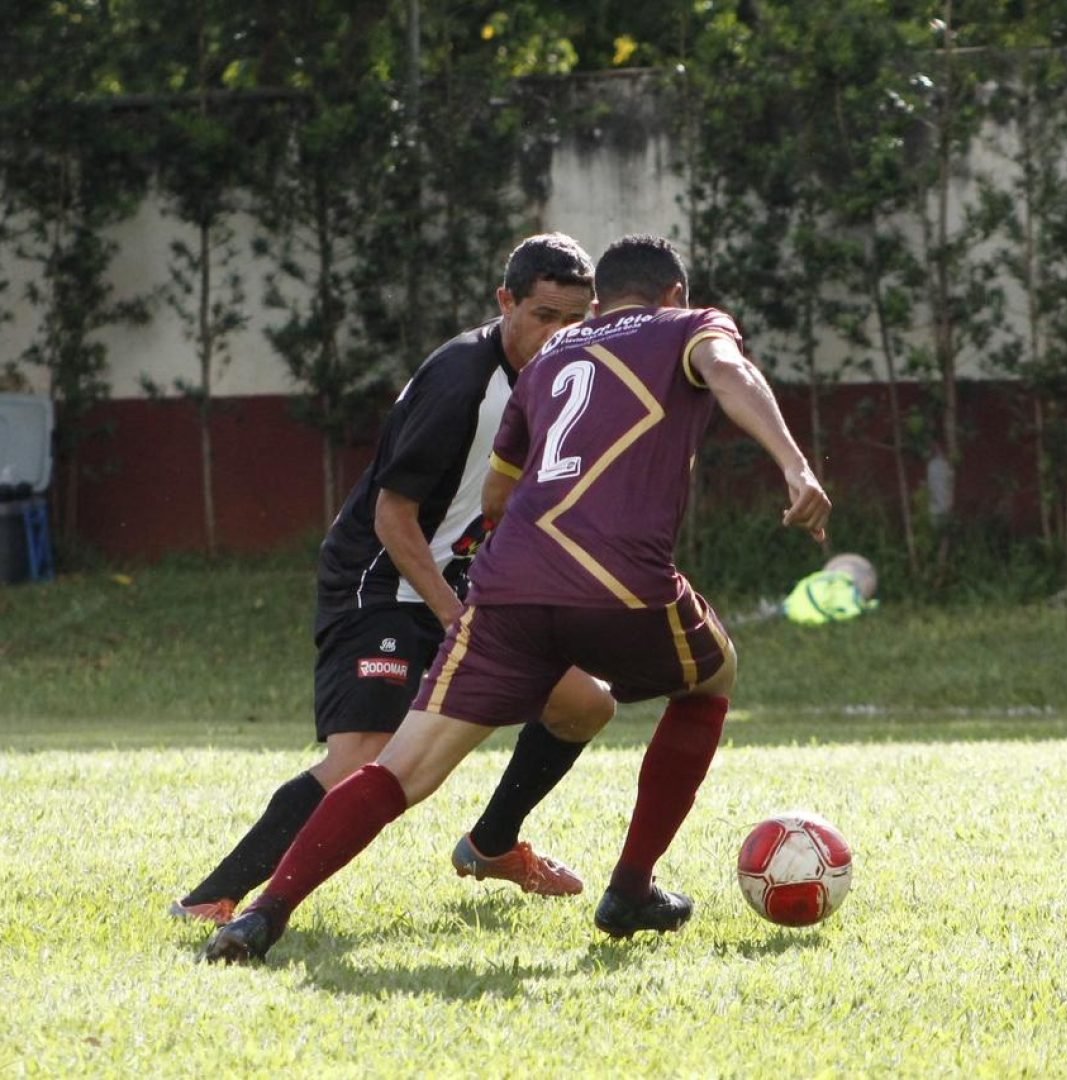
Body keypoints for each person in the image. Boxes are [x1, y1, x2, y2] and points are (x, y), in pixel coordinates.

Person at [202, 233, 831, 963]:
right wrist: (796, 467)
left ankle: (262, 915)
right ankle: (631, 888)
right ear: (673, 295)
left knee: (402, 768)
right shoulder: (688, 326)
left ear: (599, 301)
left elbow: (499, 495)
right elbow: (729, 370)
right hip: (609, 579)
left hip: (505, 588)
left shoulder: (549, 359)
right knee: (710, 680)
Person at [172, 233, 615, 926]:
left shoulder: (564, 379)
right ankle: (210, 898)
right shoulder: (462, 383)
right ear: (505, 302)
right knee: (362, 758)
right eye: (543, 316)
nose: (558, 334)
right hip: (381, 582)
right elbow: (392, 516)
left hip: (463, 584)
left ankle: (492, 845)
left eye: (574, 319)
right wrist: (455, 617)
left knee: (585, 704)